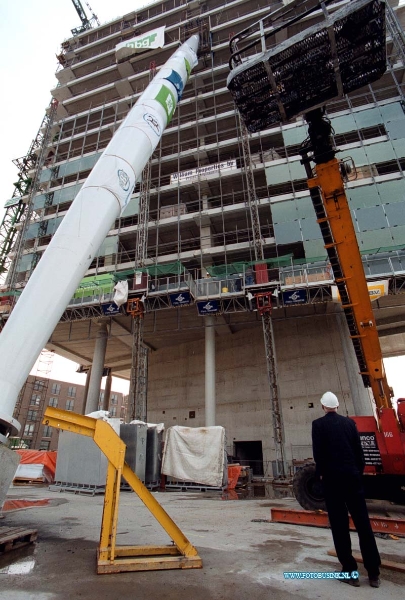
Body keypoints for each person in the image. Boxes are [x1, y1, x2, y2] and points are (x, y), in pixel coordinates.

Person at [312, 391, 381, 588]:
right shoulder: (350, 424)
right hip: (353, 479)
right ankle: (374, 573)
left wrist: (321, 477)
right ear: (337, 406)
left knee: (340, 527)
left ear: (323, 406)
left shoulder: (318, 425)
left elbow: (319, 455)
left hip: (333, 481)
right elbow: (359, 454)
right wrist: (356, 474)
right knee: (363, 525)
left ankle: (350, 572)